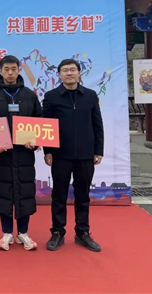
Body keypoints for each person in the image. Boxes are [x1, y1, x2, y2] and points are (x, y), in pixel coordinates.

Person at [0, 55, 42, 251]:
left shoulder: (29, 95)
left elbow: (39, 121)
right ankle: (6, 233)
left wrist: (36, 142)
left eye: (13, 69)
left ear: (18, 71)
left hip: (24, 154)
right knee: (3, 192)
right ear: (0, 71)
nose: (10, 73)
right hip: (1, 155)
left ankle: (23, 233)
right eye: (6, 69)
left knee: (25, 192)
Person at [42, 58, 104, 252]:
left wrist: (98, 150)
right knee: (58, 195)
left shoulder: (90, 95)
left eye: (72, 70)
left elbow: (97, 124)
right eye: (65, 70)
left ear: (79, 73)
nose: (69, 73)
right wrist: (48, 151)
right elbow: (46, 126)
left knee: (83, 195)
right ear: (59, 74)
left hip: (86, 154)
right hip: (60, 155)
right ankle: (57, 232)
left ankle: (82, 232)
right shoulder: (51, 97)